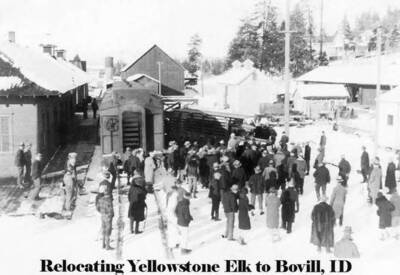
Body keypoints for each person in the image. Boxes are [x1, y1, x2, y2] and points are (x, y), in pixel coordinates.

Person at [95, 185, 114, 250]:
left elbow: (97, 208)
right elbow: (110, 209)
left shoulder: (100, 199)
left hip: (103, 216)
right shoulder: (109, 200)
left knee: (103, 229)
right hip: (108, 217)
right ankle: (108, 246)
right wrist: (111, 215)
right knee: (108, 231)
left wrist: (102, 212)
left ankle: (103, 244)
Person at [63, 153, 78, 218]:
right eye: (74, 159)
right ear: (70, 158)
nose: (74, 160)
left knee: (71, 193)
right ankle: (67, 210)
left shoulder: (68, 163)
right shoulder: (70, 164)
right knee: (69, 194)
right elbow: (72, 174)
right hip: (68, 179)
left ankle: (68, 207)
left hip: (68, 178)